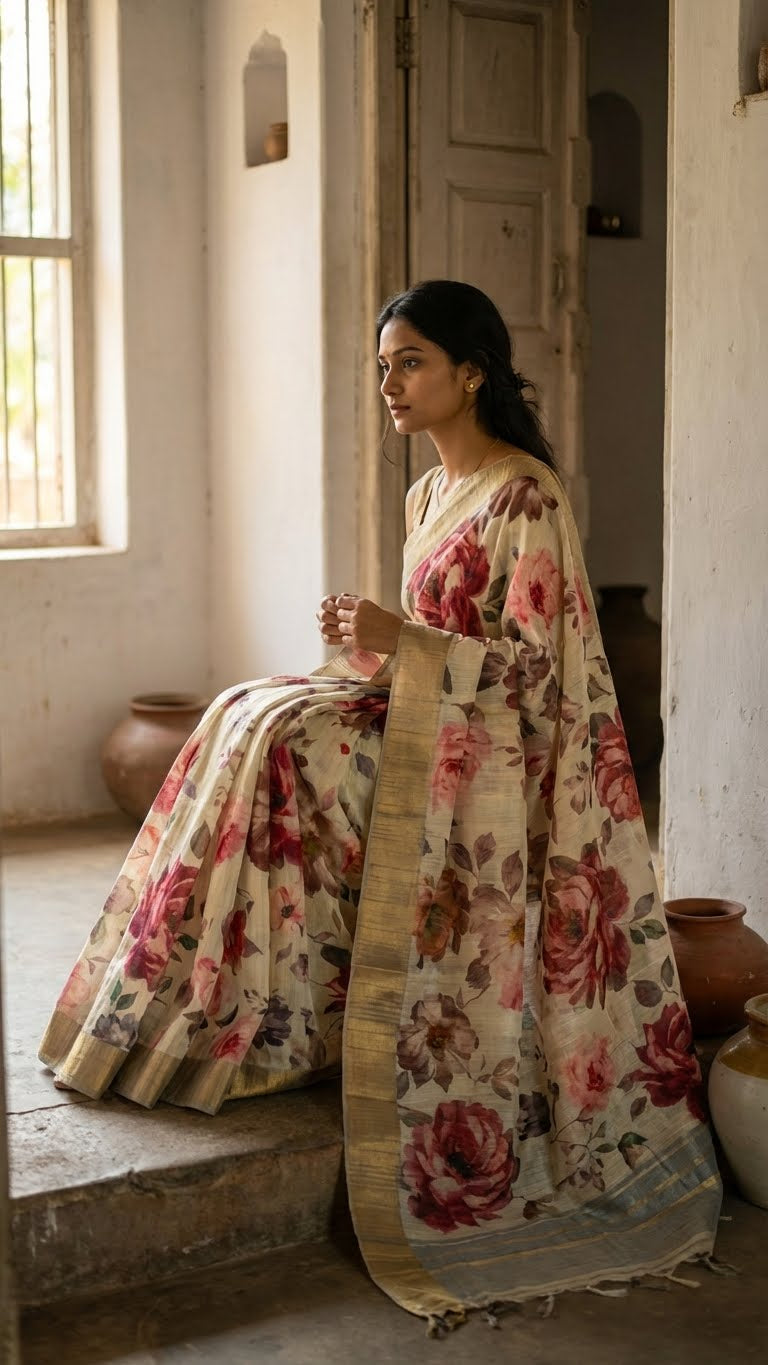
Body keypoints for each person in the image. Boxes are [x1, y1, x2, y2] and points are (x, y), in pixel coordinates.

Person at [39, 280, 721, 1328]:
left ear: (472, 372)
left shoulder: (524, 495)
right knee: (244, 714)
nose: (390, 384)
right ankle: (202, 1026)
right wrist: (370, 637)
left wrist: (401, 639)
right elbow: (428, 645)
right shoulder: (424, 497)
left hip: (499, 756)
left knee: (283, 749)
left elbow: (540, 678)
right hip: (428, 716)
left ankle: (269, 1026)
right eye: (382, 367)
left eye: (411, 363)